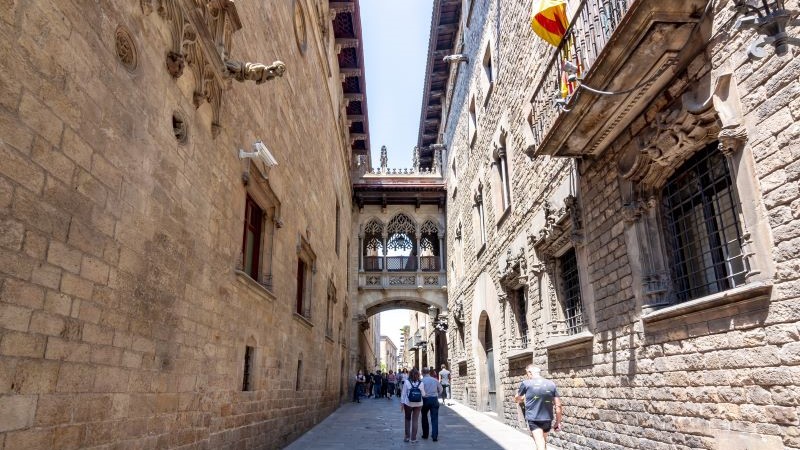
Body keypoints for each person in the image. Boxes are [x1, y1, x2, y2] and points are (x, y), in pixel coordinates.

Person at [514, 365, 562, 450]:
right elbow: (558, 405)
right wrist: (558, 422)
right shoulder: (551, 384)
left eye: (527, 373)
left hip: (534, 418)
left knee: (540, 442)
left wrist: (517, 397)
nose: (527, 376)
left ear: (530, 372)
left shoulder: (526, 383)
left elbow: (519, 399)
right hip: (547, 419)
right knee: (542, 441)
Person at [401, 368, 426, 443]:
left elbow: (403, 393)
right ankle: (413, 438)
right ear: (418, 375)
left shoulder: (407, 382)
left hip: (408, 403)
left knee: (407, 419)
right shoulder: (421, 383)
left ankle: (407, 437)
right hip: (418, 404)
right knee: (415, 420)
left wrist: (402, 403)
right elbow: (423, 394)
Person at [420, 367, 443, 441]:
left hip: (425, 400)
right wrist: (437, 394)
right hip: (434, 399)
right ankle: (434, 436)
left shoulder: (421, 381)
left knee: (424, 416)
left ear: (422, 373)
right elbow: (441, 389)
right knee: (434, 418)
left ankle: (425, 434)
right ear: (429, 372)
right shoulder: (435, 380)